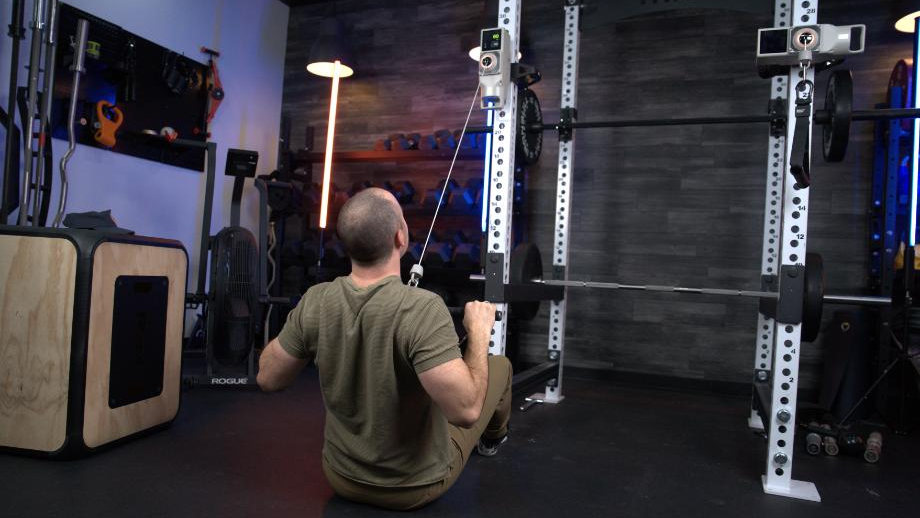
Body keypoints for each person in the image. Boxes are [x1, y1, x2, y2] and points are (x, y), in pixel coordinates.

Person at [256, 187, 512, 511]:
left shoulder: (317, 299)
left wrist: (303, 329)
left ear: (346, 243)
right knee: (499, 366)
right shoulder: (424, 308)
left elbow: (267, 377)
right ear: (400, 238)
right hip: (414, 487)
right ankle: (493, 439)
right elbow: (466, 413)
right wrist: (477, 332)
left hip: (340, 477)